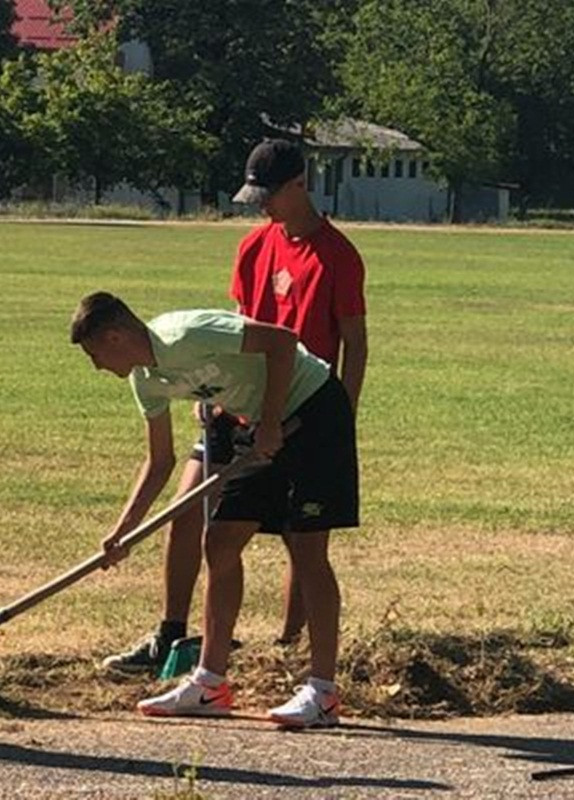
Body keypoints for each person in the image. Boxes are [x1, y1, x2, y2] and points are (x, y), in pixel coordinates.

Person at [101, 138, 367, 673]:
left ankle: (290, 648)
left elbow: (353, 343)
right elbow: (238, 323)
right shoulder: (253, 246)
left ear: (300, 185)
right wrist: (215, 399)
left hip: (300, 405)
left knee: (301, 536)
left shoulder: (337, 255)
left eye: (269, 195)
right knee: (193, 513)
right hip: (233, 405)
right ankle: (171, 636)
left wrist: (342, 418)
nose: (262, 206)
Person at [72, 292, 359, 727]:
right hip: (261, 422)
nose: (96, 366)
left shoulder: (187, 333)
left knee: (306, 548)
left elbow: (282, 341)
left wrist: (272, 418)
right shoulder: (145, 381)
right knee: (220, 542)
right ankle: (210, 684)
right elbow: (160, 461)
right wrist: (122, 531)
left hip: (314, 409)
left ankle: (323, 693)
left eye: (95, 354)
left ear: (114, 337)